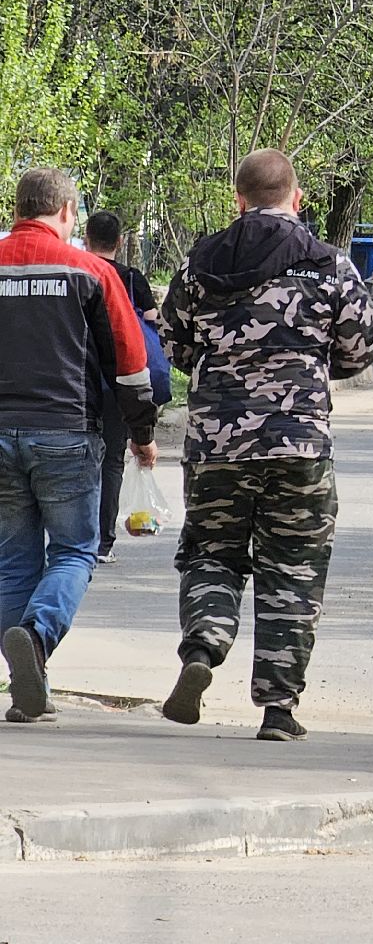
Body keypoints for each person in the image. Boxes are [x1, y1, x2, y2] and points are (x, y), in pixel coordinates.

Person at [159, 148, 373, 742]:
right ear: (296, 198)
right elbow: (360, 349)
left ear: (240, 199)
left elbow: (174, 345)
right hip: (300, 444)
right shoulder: (327, 264)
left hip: (216, 443)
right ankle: (278, 711)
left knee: (212, 552)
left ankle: (202, 648)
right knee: (294, 568)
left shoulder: (200, 262)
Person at [0, 168, 158, 723]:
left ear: (19, 207)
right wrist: (141, 434)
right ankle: (37, 641)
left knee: (12, 561)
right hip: (67, 431)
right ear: (67, 213)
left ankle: (27, 684)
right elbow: (130, 361)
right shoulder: (90, 270)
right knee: (73, 551)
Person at [83, 210, 162, 565]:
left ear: (86, 238)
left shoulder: (79, 273)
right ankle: (104, 543)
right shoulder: (131, 278)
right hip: (120, 382)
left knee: (79, 459)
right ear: (119, 242)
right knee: (112, 461)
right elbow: (152, 322)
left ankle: (76, 539)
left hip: (79, 382)